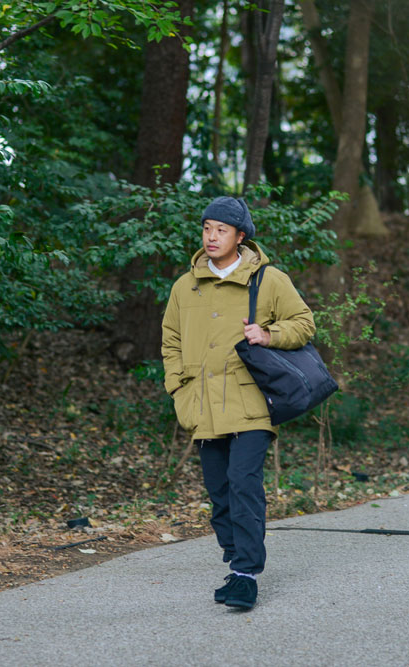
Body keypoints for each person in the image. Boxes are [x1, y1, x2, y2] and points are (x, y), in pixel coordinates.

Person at [161, 196, 316, 610]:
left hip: (251, 403)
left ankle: (246, 574)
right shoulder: (185, 286)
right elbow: (171, 340)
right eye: (207, 228)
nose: (211, 236)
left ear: (240, 236)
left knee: (243, 482)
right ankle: (235, 559)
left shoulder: (268, 280)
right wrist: (178, 387)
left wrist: (268, 335)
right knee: (220, 492)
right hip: (202, 405)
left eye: (221, 230)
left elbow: (304, 323)